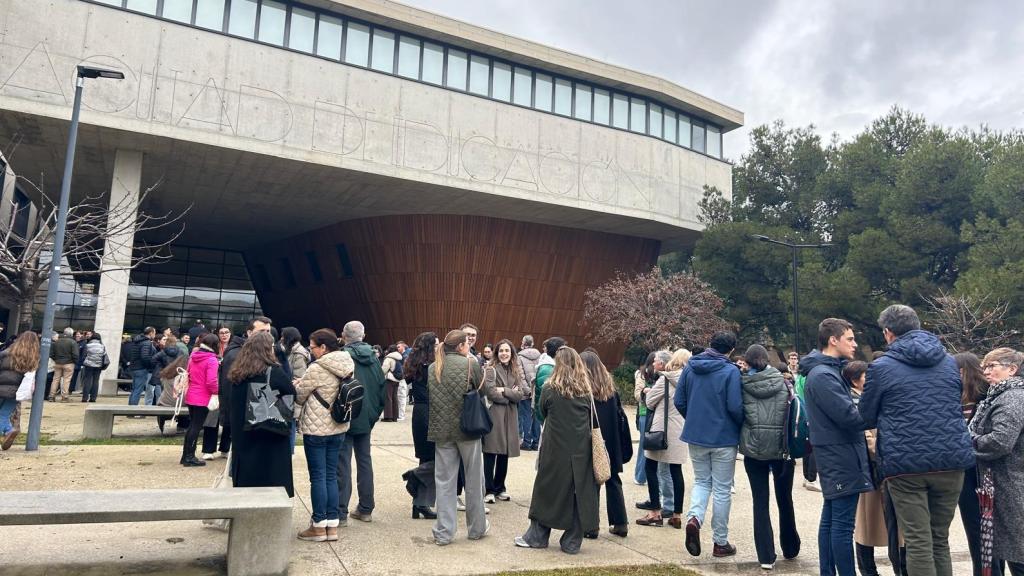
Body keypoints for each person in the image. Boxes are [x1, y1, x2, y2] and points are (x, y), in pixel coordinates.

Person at [860, 305, 975, 576]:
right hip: (951, 459)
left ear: (888, 333)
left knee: (917, 541)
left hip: (906, 463)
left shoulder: (881, 367)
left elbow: (866, 416)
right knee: (939, 539)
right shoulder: (948, 362)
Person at [803, 318, 874, 576]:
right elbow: (850, 417)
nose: (854, 344)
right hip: (839, 454)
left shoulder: (829, 371)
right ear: (833, 340)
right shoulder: (823, 375)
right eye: (850, 338)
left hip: (838, 452)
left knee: (832, 518)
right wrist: (871, 404)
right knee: (842, 525)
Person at [515, 345, 599, 554]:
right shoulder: (585, 391)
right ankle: (572, 541)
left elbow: (540, 412)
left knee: (546, 490)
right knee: (578, 493)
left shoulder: (550, 388)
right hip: (581, 449)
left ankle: (537, 536)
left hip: (555, 448)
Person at [676, 331, 744, 558]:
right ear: (731, 350)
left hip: (696, 434)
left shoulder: (690, 368)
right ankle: (720, 541)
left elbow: (679, 401)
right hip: (724, 436)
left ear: (709, 344)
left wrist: (693, 418)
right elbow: (735, 406)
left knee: (702, 482)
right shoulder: (731, 371)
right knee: (722, 489)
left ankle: (694, 518)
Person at [739, 344, 800, 571]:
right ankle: (791, 545)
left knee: (760, 502)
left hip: (753, 448)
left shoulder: (742, 385)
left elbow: (737, 413)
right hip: (781, 448)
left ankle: (765, 554)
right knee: (785, 498)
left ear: (747, 361)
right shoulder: (785, 383)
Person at [428, 329, 487, 545]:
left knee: (444, 482)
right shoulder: (471, 364)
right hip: (468, 429)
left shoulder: (434, 367)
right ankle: (476, 528)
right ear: (462, 346)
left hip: (441, 429)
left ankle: (444, 532)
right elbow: (483, 392)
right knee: (473, 479)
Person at [846, 360, 904, 576]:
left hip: (886, 466)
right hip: (871, 469)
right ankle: (869, 570)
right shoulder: (854, 401)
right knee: (867, 525)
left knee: (893, 527)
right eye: (866, 377)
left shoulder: (875, 397)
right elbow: (866, 437)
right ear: (855, 380)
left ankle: (897, 568)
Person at [294, 328, 352, 542]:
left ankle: (318, 525)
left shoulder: (316, 368)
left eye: (313, 347)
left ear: (323, 347)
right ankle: (332, 525)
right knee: (330, 476)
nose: (311, 351)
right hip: (338, 426)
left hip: (316, 428)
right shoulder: (347, 363)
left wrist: (299, 385)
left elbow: (300, 398)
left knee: (318, 477)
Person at [970, 348, 1024, 575]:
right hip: (1002, 483)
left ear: (1012, 369)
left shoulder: (1013, 398)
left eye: (992, 365)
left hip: (1011, 484)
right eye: (984, 366)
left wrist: (968, 440)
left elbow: (1000, 442)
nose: (986, 371)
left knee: (1018, 553)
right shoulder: (997, 395)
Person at [228, 331, 295, 497]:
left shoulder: (238, 372)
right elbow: (291, 394)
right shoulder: (273, 372)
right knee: (270, 479)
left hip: (243, 433)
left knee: (247, 479)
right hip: (269, 431)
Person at [955, 352, 998, 576]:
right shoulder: (955, 402)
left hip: (982, 474)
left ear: (962, 372)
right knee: (977, 535)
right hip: (965, 474)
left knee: (985, 535)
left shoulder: (986, 400)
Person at [339, 320, 385, 523]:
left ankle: (340, 511)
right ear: (363, 336)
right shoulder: (375, 359)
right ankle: (366, 508)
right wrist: (373, 414)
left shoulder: (341, 356)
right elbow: (381, 388)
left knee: (342, 463)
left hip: (346, 415)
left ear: (343, 335)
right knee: (364, 460)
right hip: (366, 416)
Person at [637, 349, 688, 530]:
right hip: (680, 430)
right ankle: (677, 514)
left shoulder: (666, 379)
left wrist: (649, 392)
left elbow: (649, 401)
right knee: (676, 471)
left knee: (651, 468)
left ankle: (655, 512)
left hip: (662, 429)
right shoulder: (690, 381)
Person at [581, 348, 629, 538]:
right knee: (613, 480)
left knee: (591, 483)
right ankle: (620, 523)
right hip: (612, 442)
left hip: (592, 441)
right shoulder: (611, 389)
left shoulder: (584, 391)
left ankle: (591, 527)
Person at [481, 339, 525, 503]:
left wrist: (504, 390)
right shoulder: (491, 370)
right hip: (495, 415)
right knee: (491, 452)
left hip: (511, 417)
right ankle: (488, 489)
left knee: (504, 453)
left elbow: (520, 394)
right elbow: (491, 393)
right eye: (501, 351)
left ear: (512, 353)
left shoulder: (516, 371)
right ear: (496, 353)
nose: (504, 353)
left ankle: (500, 487)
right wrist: (509, 396)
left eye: (507, 350)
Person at [404, 332, 438, 519]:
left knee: (426, 456)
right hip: (430, 411)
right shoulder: (431, 366)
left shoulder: (414, 363)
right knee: (434, 458)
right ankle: (415, 477)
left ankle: (419, 504)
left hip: (419, 412)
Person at [181, 333, 219, 467]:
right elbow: (211, 381)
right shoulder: (212, 359)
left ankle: (185, 455)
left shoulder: (193, 356)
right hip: (203, 397)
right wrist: (217, 392)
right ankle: (190, 457)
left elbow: (189, 373)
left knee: (192, 426)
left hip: (192, 394)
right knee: (196, 427)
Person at [1, 331, 39, 450]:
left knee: (2, 415)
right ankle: (9, 430)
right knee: (4, 413)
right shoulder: (33, 359)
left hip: (1, 387)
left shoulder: (6, 353)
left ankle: (9, 430)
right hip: (16, 392)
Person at [632, 352, 657, 487]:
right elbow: (637, 394)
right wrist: (647, 391)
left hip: (659, 413)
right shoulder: (641, 374)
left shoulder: (664, 375)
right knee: (644, 444)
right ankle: (640, 476)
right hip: (645, 412)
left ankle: (654, 475)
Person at [156, 353, 189, 434]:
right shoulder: (188, 376)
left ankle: (162, 419)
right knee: (187, 404)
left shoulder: (167, 374)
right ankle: (182, 426)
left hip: (165, 402)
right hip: (182, 404)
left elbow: (163, 385)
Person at [517, 335, 540, 451]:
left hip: (526, 393)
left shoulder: (519, 357)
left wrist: (527, 390)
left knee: (525, 416)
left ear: (523, 343)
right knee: (536, 417)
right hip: (537, 391)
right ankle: (535, 443)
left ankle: (526, 442)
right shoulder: (540, 356)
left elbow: (521, 376)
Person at [126, 327, 157, 405]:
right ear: (151, 333)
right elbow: (145, 357)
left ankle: (129, 409)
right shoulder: (147, 343)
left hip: (134, 368)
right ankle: (132, 411)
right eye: (154, 333)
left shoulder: (137, 341)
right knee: (138, 390)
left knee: (134, 389)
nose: (155, 335)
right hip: (141, 368)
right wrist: (149, 365)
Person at [48, 327, 79, 402]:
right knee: (66, 380)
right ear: (71, 334)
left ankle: (51, 396)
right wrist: (75, 362)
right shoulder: (73, 342)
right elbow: (75, 354)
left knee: (55, 379)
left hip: (58, 363)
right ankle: (64, 397)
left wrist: (56, 359)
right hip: (69, 363)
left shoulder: (57, 342)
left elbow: (51, 354)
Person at [150, 335, 182, 406]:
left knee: (163, 392)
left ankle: (162, 410)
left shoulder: (164, 351)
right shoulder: (180, 351)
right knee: (174, 392)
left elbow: (153, 359)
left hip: (164, 374)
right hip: (175, 375)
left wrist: (160, 364)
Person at [78, 333, 106, 403]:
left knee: (87, 381)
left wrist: (84, 362)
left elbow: (83, 356)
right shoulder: (102, 346)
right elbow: (104, 356)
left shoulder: (87, 345)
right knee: (96, 381)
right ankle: (93, 398)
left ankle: (85, 398)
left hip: (88, 365)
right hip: (98, 366)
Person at [381, 344, 404, 422]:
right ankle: (395, 416)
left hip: (390, 379)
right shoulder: (400, 357)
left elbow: (384, 370)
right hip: (397, 379)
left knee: (388, 397)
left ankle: (388, 417)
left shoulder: (389, 358)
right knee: (394, 397)